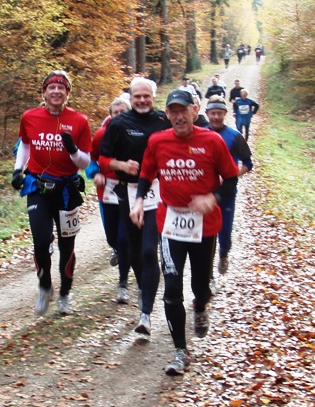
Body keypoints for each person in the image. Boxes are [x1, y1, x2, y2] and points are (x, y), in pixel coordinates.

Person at [129, 90, 238, 375]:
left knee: (199, 287)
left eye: (183, 111)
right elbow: (146, 174)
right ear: (167, 115)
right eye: (173, 112)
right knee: (172, 289)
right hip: (171, 223)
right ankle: (181, 351)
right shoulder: (158, 141)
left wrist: (212, 198)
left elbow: (230, 180)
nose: (178, 117)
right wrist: (140, 200)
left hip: (205, 225)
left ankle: (201, 305)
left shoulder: (212, 141)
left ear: (194, 110)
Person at [12, 70, 92, 316]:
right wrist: (18, 170)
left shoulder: (79, 121)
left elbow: (85, 163)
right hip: (38, 186)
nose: (56, 92)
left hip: (67, 190)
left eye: (61, 88)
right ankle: (45, 285)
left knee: (67, 246)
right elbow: (25, 144)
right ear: (44, 92)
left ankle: (65, 295)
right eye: (51, 88)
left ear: (67, 93)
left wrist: (73, 150)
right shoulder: (30, 117)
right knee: (40, 241)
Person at [98, 76, 170, 338]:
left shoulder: (164, 121)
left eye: (146, 96)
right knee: (136, 250)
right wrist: (122, 166)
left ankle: (146, 315)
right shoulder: (118, 124)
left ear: (153, 97)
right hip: (127, 192)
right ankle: (144, 287)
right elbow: (103, 160)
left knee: (151, 250)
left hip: (158, 191)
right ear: (131, 97)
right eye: (137, 96)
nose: (141, 100)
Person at [87, 96, 132, 303]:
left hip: (129, 192)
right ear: (111, 115)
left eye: (124, 112)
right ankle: (116, 248)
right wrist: (95, 173)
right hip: (107, 193)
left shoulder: (136, 133)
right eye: (116, 113)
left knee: (125, 239)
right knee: (113, 238)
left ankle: (123, 283)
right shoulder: (101, 134)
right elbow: (92, 159)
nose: (120, 116)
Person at [204, 97, 253, 276]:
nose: (216, 117)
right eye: (213, 113)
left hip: (227, 193)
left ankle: (224, 254)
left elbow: (248, 163)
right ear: (207, 114)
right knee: (206, 235)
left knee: (224, 231)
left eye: (219, 113)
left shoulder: (234, 136)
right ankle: (207, 273)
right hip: (205, 192)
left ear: (225, 114)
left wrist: (231, 175)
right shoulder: (200, 134)